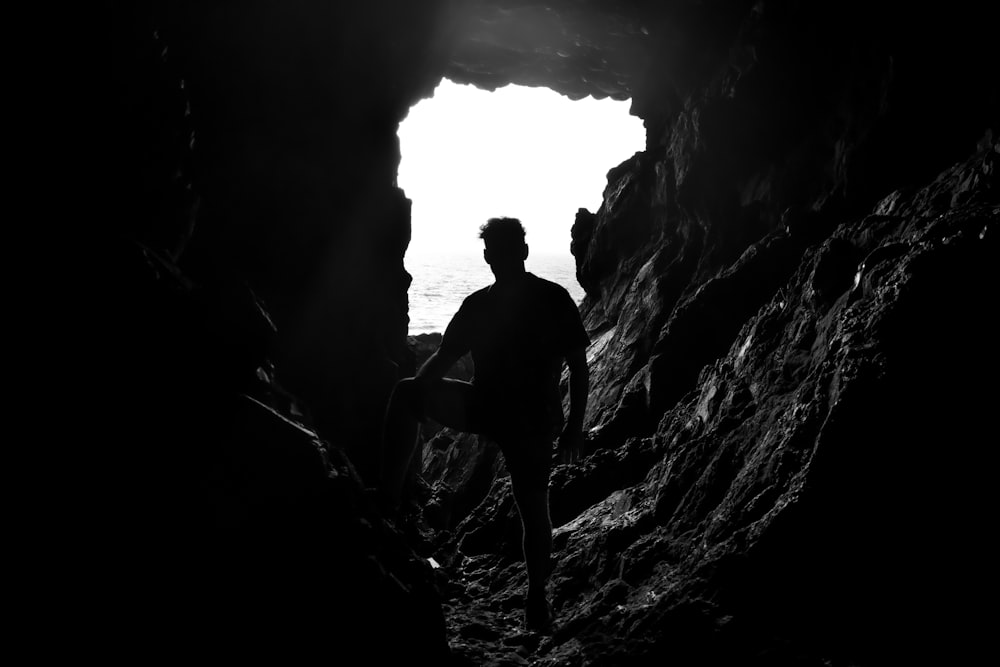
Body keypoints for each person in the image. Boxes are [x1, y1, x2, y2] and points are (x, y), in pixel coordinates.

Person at [380, 217, 590, 632]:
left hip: (528, 417)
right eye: (499, 250)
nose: (500, 257)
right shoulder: (532, 299)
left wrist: (573, 429)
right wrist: (420, 397)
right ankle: (387, 506)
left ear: (492, 255)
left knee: (533, 510)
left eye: (501, 250)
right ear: (510, 254)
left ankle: (536, 600)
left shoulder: (540, 300)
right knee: (407, 392)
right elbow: (440, 362)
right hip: (496, 408)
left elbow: (579, 365)